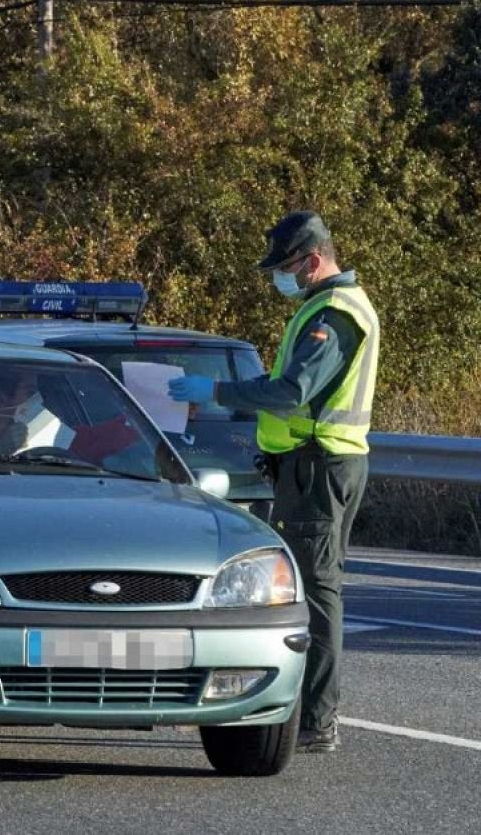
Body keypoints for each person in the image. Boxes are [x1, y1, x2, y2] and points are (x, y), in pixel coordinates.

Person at [167, 210, 379, 755]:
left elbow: (293, 392)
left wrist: (217, 392)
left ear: (313, 260)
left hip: (319, 467)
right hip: (314, 465)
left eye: (286, 267)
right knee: (312, 587)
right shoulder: (322, 306)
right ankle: (310, 715)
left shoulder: (334, 313)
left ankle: (316, 719)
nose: (279, 278)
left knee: (314, 591)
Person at [0, 371, 138, 465]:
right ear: (0, 400)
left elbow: (95, 441)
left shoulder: (44, 431)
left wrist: (140, 414)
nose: (39, 400)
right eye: (30, 392)